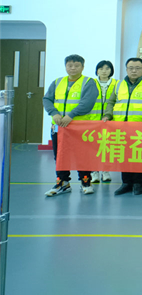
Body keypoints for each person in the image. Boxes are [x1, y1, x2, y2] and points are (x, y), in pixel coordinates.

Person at [42, 54, 99, 196]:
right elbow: (47, 99)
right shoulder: (57, 82)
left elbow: (87, 103)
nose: (73, 68)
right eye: (70, 65)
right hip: (59, 127)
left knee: (82, 155)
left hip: (79, 127)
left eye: (76, 65)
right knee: (60, 156)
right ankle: (62, 183)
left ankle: (86, 181)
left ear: (83, 67)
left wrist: (70, 116)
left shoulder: (89, 82)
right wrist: (54, 113)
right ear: (65, 67)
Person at [102, 57, 142, 196]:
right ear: (126, 69)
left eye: (137, 68)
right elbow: (111, 102)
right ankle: (126, 183)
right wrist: (108, 115)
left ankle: (138, 183)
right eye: (131, 68)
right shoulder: (119, 84)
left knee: (139, 155)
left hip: (141, 127)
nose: (134, 71)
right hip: (120, 127)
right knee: (124, 155)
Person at [91, 60, 116, 183]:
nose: (104, 71)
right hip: (93, 120)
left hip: (109, 120)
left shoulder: (117, 84)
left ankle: (105, 171)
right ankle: (94, 172)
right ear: (97, 71)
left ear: (111, 70)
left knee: (107, 146)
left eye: (107, 68)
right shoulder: (91, 83)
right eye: (101, 69)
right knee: (93, 147)